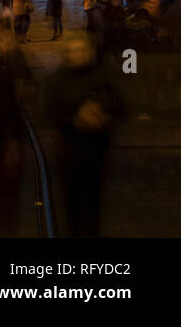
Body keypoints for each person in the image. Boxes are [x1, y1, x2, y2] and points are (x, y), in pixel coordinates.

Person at [44, 33, 124, 236]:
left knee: (94, 201)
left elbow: (121, 105)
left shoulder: (103, 76)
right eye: (74, 51)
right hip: (69, 150)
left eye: (83, 50)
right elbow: (47, 111)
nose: (79, 55)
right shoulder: (56, 79)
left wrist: (103, 116)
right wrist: (74, 119)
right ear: (66, 54)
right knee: (71, 201)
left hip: (96, 149)